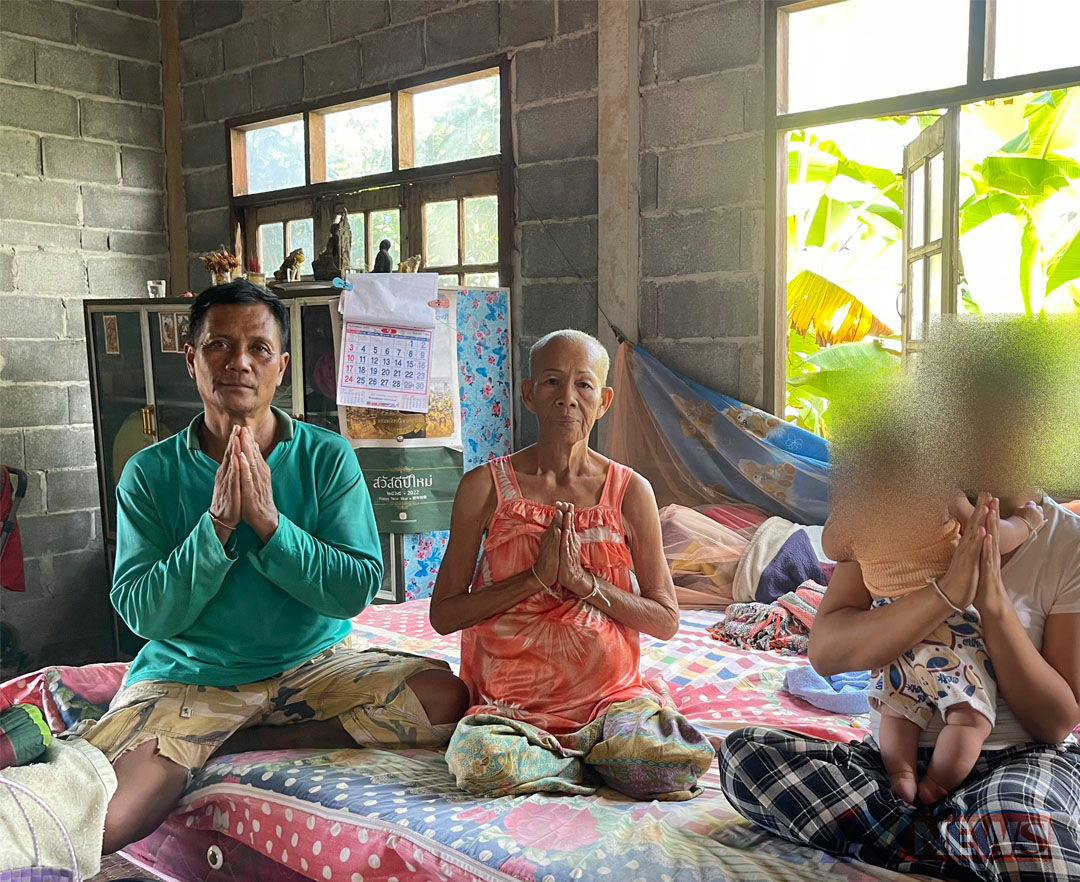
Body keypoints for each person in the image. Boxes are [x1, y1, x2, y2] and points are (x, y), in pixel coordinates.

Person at [75, 281, 468, 854]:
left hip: (313, 668)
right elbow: (143, 612)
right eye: (219, 345)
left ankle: (239, 740)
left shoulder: (326, 456)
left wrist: (271, 527)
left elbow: (355, 589)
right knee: (104, 821)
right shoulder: (149, 473)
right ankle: (207, 734)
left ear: (281, 367)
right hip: (195, 676)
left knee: (442, 697)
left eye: (259, 348)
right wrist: (216, 529)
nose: (239, 362)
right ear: (190, 359)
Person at [719, 494, 1080, 880]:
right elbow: (825, 653)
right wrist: (946, 593)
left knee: (1017, 817)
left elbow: (1055, 724)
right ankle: (963, 840)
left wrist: (992, 602)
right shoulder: (886, 512)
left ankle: (939, 838)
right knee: (744, 757)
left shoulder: (1066, 538)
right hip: (892, 766)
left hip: (1015, 762)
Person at [430, 330, 716, 801]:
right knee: (481, 764)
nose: (567, 398)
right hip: (511, 712)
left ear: (603, 401)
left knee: (671, 767)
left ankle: (590, 754)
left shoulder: (631, 492)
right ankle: (585, 762)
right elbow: (443, 615)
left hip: (611, 703)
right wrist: (535, 580)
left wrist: (582, 583)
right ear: (529, 394)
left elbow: (665, 619)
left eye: (583, 385)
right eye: (552, 382)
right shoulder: (484, 487)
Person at [823, 488, 1046, 806]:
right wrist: (1027, 520)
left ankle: (901, 776)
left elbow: (832, 547)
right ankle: (937, 786)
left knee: (897, 712)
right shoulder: (939, 491)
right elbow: (991, 537)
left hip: (891, 626)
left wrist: (844, 514)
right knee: (970, 717)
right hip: (947, 626)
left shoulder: (856, 505)